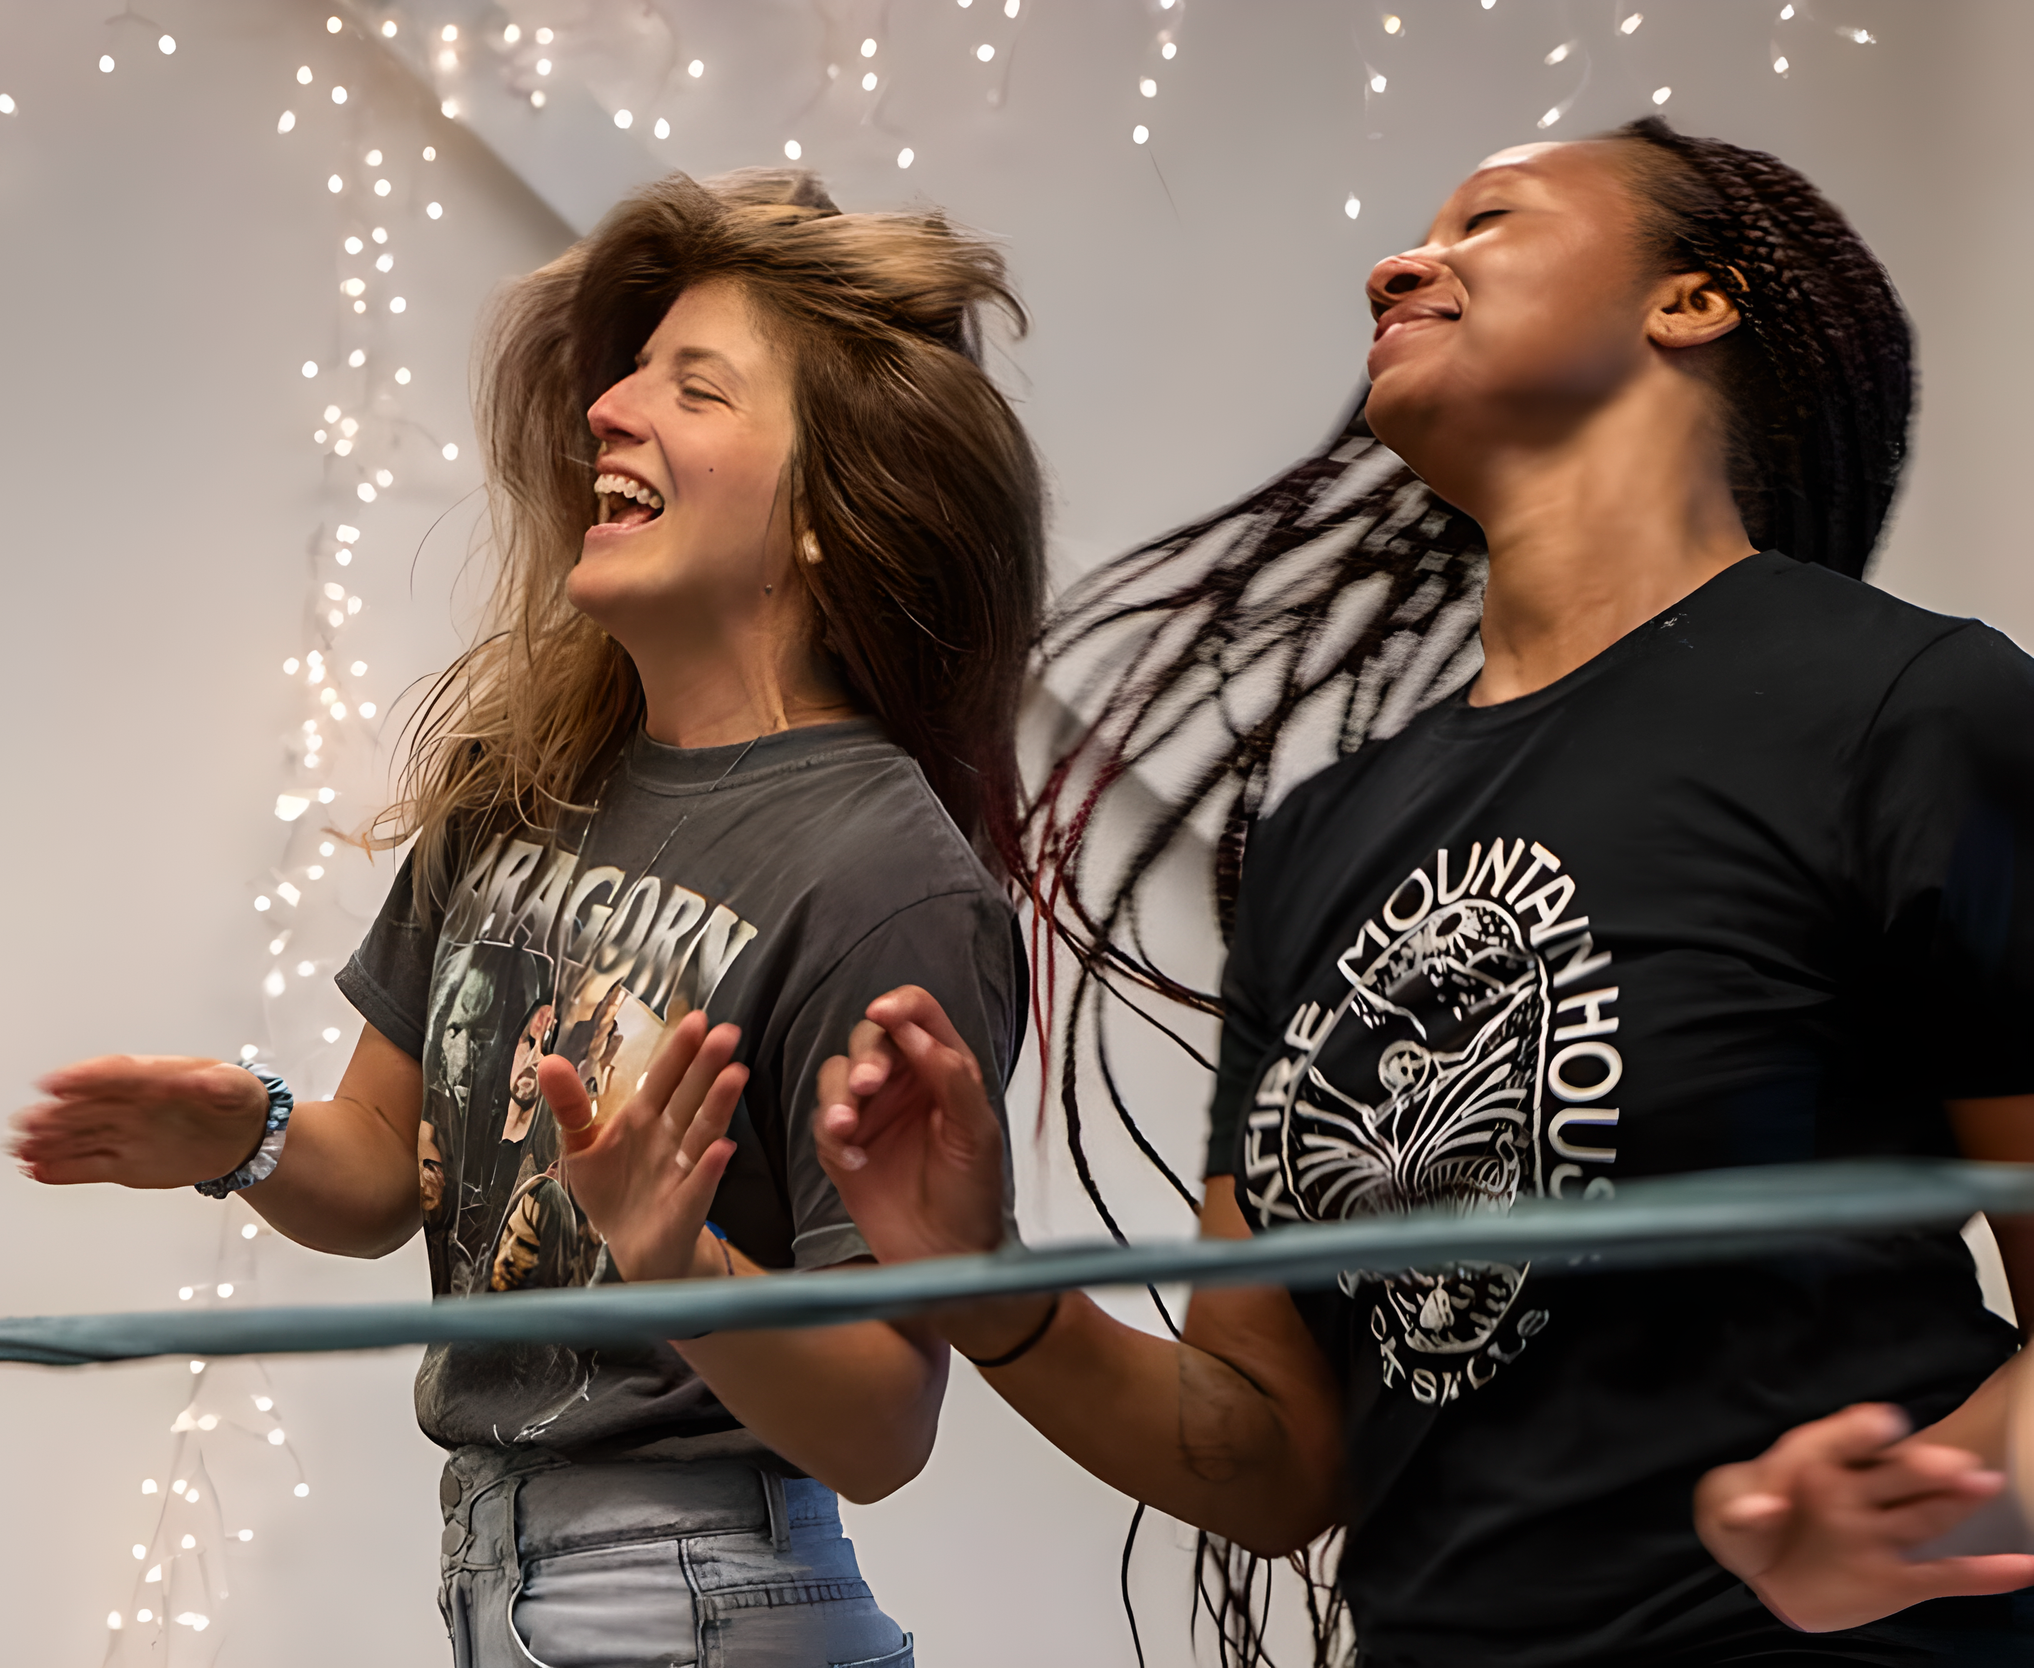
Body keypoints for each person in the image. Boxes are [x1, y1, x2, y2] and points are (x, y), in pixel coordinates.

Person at [809, 117, 2034, 1665]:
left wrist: (1936, 1518)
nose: (1400, 263)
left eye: (1490, 221)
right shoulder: (1323, 836)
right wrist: (988, 1287)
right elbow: (1271, 1458)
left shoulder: (1915, 713)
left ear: (1694, 303)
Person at [7, 168, 1042, 1667]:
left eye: (694, 387)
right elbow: (380, 1174)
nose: (611, 412)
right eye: (625, 376)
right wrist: (246, 1133)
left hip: (702, 1593)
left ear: (822, 512)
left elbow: (884, 1421)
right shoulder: (519, 783)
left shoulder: (887, 878)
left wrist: (679, 1262)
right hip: (498, 1580)